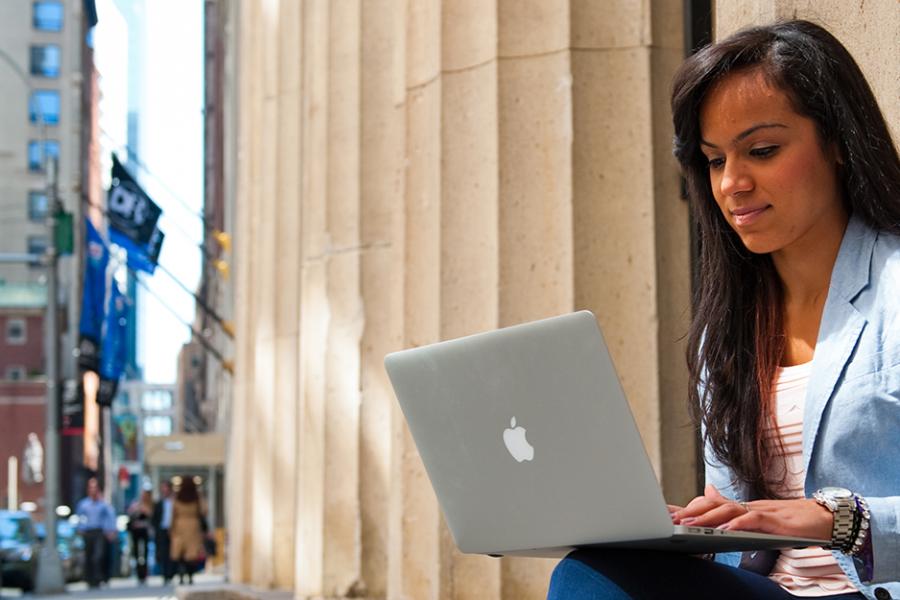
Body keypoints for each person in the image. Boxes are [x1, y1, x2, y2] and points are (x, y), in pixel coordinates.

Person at [547, 19, 900, 600]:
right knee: (590, 572)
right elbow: (740, 527)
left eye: (762, 151)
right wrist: (698, 528)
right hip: (768, 590)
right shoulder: (730, 328)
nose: (732, 182)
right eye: (714, 161)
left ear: (837, 141)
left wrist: (840, 521)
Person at [75, 476, 117, 589]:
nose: (93, 490)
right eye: (90, 488)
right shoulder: (83, 504)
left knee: (98, 555)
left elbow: (110, 518)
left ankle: (99, 577)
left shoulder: (103, 505)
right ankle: (89, 579)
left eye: (95, 488)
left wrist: (111, 530)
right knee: (88, 556)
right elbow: (78, 517)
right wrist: (80, 528)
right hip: (88, 532)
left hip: (99, 532)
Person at [169, 476, 206, 585]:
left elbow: (173, 514)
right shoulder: (196, 497)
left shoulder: (178, 497)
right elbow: (204, 511)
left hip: (179, 525)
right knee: (191, 553)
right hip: (193, 526)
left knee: (180, 553)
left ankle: (181, 574)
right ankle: (190, 575)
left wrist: (171, 528)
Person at [126, 489, 154, 584]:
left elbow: (151, 518)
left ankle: (145, 573)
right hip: (136, 532)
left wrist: (145, 510)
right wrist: (134, 510)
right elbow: (130, 516)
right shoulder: (136, 504)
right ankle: (138, 573)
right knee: (137, 552)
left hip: (144, 532)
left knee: (145, 553)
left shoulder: (150, 505)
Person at [152, 480, 175, 583]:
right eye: (163, 488)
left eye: (166, 488)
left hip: (174, 531)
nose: (164, 490)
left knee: (173, 553)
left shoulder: (175, 502)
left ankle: (172, 573)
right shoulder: (159, 503)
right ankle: (165, 575)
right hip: (162, 530)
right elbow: (155, 518)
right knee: (164, 553)